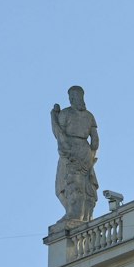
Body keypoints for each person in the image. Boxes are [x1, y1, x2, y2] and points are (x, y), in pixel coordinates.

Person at [50, 85, 100, 231]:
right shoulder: (89, 116)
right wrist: (90, 155)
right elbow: (95, 141)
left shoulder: (66, 113)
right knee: (84, 184)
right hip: (85, 150)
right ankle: (83, 215)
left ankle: (73, 214)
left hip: (70, 149)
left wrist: (53, 116)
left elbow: (59, 134)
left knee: (65, 183)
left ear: (71, 98)